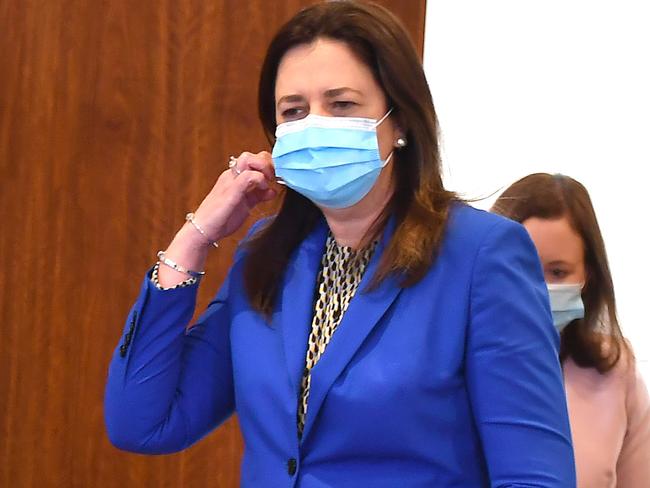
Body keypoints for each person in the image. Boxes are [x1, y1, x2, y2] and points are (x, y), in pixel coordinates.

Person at [104, 2, 576, 486]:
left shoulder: (482, 255)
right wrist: (194, 238)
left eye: (342, 104)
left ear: (401, 123)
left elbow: (535, 476)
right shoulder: (266, 253)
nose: (315, 125)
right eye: (294, 111)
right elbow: (143, 423)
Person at [492, 173, 650, 487]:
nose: (537, 288)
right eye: (522, 268)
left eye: (558, 272)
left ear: (587, 274)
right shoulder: (449, 369)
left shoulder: (614, 369)